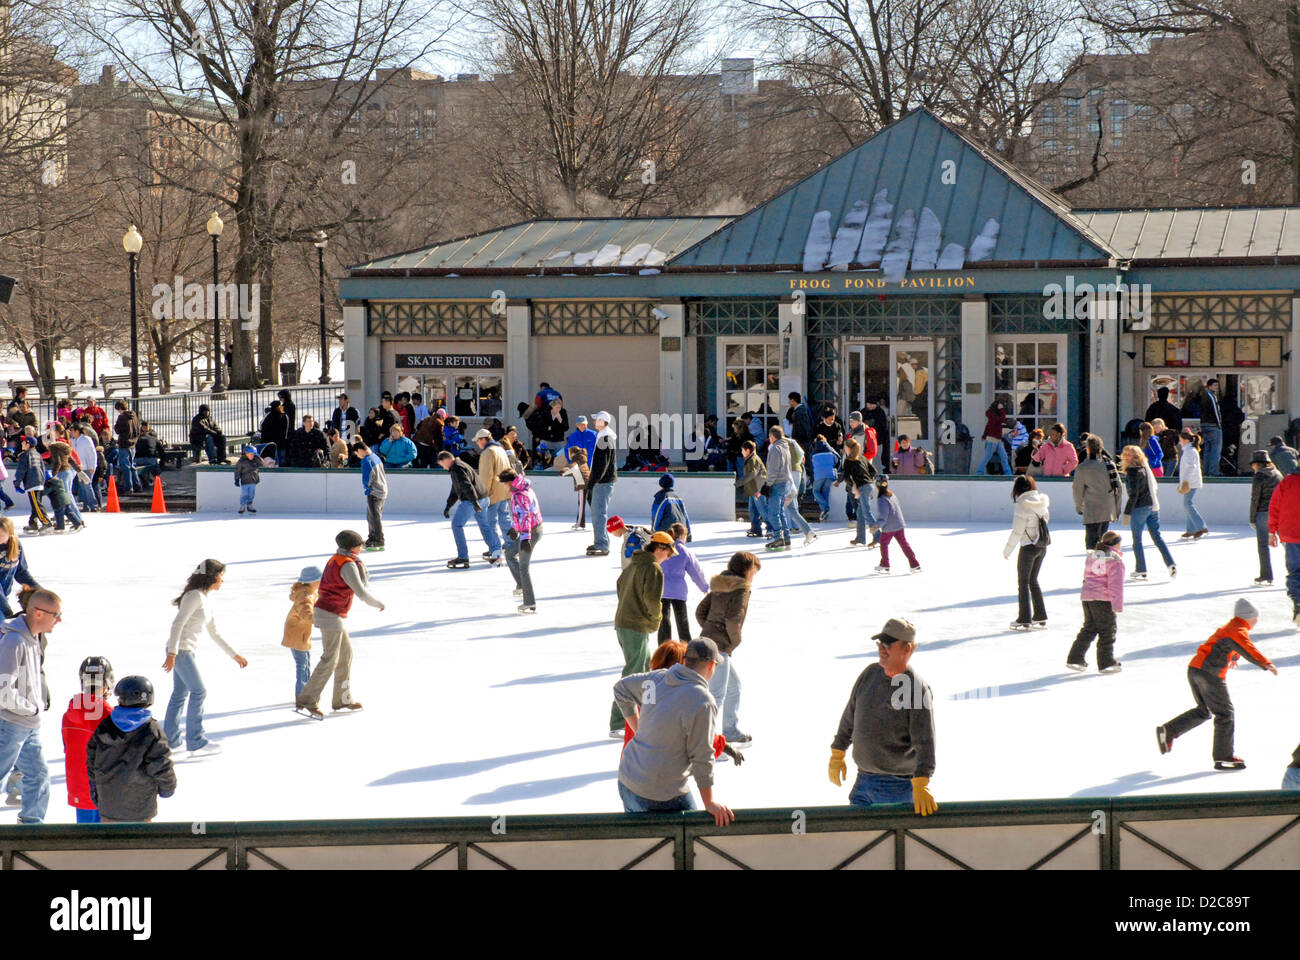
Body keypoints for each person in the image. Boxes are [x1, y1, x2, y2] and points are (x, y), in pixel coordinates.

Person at [612, 636, 734, 825]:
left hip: (628, 780)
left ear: (685, 661)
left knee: (646, 845)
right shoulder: (702, 700)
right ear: (711, 666)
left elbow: (622, 689)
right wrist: (709, 802)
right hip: (661, 792)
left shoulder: (656, 679)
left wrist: (638, 727)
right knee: (693, 841)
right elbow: (702, 755)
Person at [828, 617, 937, 815]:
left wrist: (921, 782)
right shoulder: (870, 674)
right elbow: (850, 716)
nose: (881, 650)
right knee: (861, 842)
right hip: (863, 782)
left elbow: (925, 741)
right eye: (880, 644)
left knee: (889, 844)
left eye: (888, 645)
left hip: (898, 786)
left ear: (907, 649)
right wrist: (838, 752)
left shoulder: (915, 688)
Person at [1156, 598, 1278, 770]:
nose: (1256, 621)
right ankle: (1224, 757)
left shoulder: (1231, 628)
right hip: (1209, 673)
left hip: (1195, 669)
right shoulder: (1238, 629)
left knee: (1204, 710)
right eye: (1255, 618)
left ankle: (1169, 730)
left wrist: (1233, 657)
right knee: (1225, 714)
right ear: (1249, 617)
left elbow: (1228, 644)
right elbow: (1247, 647)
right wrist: (1265, 663)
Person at [296, 530, 385, 719]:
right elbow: (360, 592)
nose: (362, 547)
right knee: (330, 659)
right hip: (331, 614)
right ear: (353, 546)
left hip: (332, 613)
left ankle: (342, 699)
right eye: (360, 544)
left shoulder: (336, 558)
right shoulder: (347, 565)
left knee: (345, 655)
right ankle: (307, 700)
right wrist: (378, 603)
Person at [163, 559, 247, 757]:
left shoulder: (205, 598)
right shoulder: (195, 597)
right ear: (211, 576)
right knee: (199, 691)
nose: (222, 581)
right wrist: (172, 654)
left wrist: (234, 655)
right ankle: (196, 740)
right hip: (181, 650)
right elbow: (177, 624)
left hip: (185, 650)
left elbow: (214, 632)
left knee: (179, 694)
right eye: (220, 576)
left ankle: (171, 739)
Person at [0, 588, 60, 822]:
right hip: (11, 724)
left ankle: (32, 829)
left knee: (38, 776)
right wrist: (30, 708)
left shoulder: (33, 639)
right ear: (37, 613)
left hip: (28, 726)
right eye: (55, 614)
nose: (59, 620)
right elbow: (3, 691)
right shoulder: (14, 641)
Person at [609, 530, 675, 737]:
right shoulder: (652, 569)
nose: (669, 557)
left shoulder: (634, 564)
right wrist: (655, 620)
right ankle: (619, 722)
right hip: (634, 625)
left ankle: (645, 715)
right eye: (669, 553)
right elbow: (653, 601)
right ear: (660, 549)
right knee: (634, 672)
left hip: (625, 623)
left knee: (645, 671)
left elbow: (619, 587)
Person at [85, 676, 177, 824]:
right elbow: (161, 764)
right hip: (140, 808)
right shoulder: (151, 730)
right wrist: (167, 788)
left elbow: (92, 760)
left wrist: (95, 789)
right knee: (139, 844)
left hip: (109, 806)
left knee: (111, 845)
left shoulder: (105, 726)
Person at [696, 550, 759, 747]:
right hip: (720, 647)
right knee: (717, 694)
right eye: (754, 571)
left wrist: (709, 630)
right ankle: (706, 739)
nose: (754, 576)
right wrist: (733, 641)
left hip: (708, 642)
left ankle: (730, 730)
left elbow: (700, 612)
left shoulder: (719, 584)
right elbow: (734, 620)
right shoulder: (742, 589)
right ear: (747, 570)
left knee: (734, 687)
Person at [61, 656, 113, 823]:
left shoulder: (69, 713)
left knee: (83, 835)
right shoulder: (109, 714)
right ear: (106, 684)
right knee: (105, 838)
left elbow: (67, 746)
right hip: (104, 785)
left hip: (79, 784)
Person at [1067, 531, 1125, 673]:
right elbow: (1115, 584)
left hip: (1087, 596)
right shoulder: (1115, 560)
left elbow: (1087, 575)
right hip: (1103, 599)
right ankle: (1106, 662)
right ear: (1115, 544)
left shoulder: (1093, 556)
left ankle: (1075, 657)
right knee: (1107, 630)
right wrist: (1117, 604)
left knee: (1090, 628)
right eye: (1119, 542)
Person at [1120, 444, 1176, 581]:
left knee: (1137, 540)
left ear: (1135, 457)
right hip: (1152, 505)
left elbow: (1134, 495)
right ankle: (1171, 563)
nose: (1125, 456)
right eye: (1125, 453)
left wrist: (1127, 513)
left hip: (1140, 508)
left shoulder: (1133, 471)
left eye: (1129, 454)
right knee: (1157, 537)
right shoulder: (1144, 468)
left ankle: (1141, 569)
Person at [1004, 475, 1050, 629]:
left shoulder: (1022, 505)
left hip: (1028, 548)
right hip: (1041, 546)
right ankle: (1040, 615)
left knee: (1023, 583)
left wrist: (1007, 550)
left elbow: (1017, 531)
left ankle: (1024, 618)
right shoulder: (1042, 501)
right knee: (1033, 581)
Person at [440, 450, 497, 568]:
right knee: (484, 525)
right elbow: (455, 489)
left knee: (457, 525)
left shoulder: (456, 468)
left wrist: (474, 501)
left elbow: (466, 485)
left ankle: (463, 556)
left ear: (446, 460)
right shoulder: (461, 465)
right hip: (483, 498)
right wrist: (448, 505)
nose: (443, 468)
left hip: (472, 500)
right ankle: (495, 552)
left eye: (442, 465)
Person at [659, 522, 707, 643]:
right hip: (678, 592)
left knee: (664, 623)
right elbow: (696, 571)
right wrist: (705, 588)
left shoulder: (663, 548)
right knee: (682, 623)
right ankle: (686, 649)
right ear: (682, 536)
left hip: (661, 590)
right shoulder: (685, 551)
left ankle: (664, 650)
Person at [502, 469, 543, 613]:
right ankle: (521, 585)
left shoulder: (519, 494)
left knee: (524, 567)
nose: (503, 487)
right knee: (510, 554)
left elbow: (526, 516)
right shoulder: (522, 488)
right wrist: (515, 528)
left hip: (531, 533)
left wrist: (525, 538)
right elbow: (521, 514)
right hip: (529, 530)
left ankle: (529, 602)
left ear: (508, 482)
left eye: (503, 484)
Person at [1072, 434, 1122, 549]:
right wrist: (1117, 509)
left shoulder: (1083, 467)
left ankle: (1094, 564)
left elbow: (1077, 490)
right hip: (1107, 508)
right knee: (1104, 540)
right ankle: (1103, 563)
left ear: (1088, 449)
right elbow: (1118, 488)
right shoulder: (1109, 464)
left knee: (1091, 542)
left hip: (1092, 509)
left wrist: (1079, 507)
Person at [1267, 462, 1300, 622]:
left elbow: (1274, 506)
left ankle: (1298, 602)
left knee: (1295, 571)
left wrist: (1272, 530)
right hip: (1290, 533)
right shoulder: (1287, 481)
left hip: (1290, 533)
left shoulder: (1287, 481)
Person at [473, 429, 512, 561]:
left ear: (483, 439)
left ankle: (495, 549)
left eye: (478, 441)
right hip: (504, 491)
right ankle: (512, 546)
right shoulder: (500, 449)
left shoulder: (487, 453)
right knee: (505, 520)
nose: (477, 444)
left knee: (490, 523)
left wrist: (483, 494)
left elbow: (486, 476)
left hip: (493, 494)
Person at [283, 566, 320, 698]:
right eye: (319, 581)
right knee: (302, 666)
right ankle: (302, 696)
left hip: (300, 634)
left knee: (305, 663)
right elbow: (306, 613)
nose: (320, 583)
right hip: (298, 635)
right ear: (312, 581)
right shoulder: (305, 595)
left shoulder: (308, 592)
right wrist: (319, 620)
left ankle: (306, 692)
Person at [837, 437, 879, 548]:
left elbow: (846, 477)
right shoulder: (862, 458)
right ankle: (860, 538)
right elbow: (874, 471)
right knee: (860, 513)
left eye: (845, 447)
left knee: (867, 513)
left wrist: (853, 487)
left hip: (863, 487)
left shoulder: (848, 460)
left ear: (848, 448)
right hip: (869, 485)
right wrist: (868, 481)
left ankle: (878, 536)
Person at [587, 411, 618, 557]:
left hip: (602, 482)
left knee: (598, 513)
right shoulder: (605, 437)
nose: (594, 422)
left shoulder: (605, 439)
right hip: (604, 481)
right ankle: (601, 541)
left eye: (596, 420)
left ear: (602, 421)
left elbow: (601, 465)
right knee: (598, 513)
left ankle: (602, 544)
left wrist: (592, 482)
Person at [1248, 450, 1282, 585]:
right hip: (1279, 512)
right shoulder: (1278, 474)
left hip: (1263, 513)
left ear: (1257, 464)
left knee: (1263, 545)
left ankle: (1266, 574)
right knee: (1289, 544)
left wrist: (1252, 518)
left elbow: (1255, 498)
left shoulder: (1259, 476)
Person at [873, 477, 920, 574]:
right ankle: (914, 564)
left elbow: (883, 516)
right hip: (899, 524)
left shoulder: (881, 499)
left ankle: (885, 564)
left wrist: (876, 526)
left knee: (884, 544)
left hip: (890, 526)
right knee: (904, 544)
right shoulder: (891, 494)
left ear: (877, 486)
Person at [0, 518, 39, 619]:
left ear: (9, 533)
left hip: (3, 597)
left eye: (0, 535)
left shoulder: (16, 545)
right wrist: (7, 611)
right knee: (4, 625)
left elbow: (21, 572)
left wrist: (39, 591)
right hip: (1, 601)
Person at [353, 439, 388, 551]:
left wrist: (367, 489)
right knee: (373, 516)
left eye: (357, 453)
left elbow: (367, 477)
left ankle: (378, 540)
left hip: (375, 492)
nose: (358, 456)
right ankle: (373, 537)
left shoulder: (366, 460)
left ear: (360, 450)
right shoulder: (376, 457)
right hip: (382, 489)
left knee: (374, 517)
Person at [1173, 428, 1207, 540]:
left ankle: (1200, 526)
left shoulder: (1190, 451)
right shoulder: (1189, 450)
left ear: (1186, 440)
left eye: (1180, 440)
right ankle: (1191, 529)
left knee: (1188, 504)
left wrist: (1186, 481)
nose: (1179, 442)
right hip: (1189, 482)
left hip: (1191, 482)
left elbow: (1192, 467)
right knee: (1187, 504)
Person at [764, 425, 794, 551]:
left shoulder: (775, 449)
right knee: (780, 511)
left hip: (777, 482)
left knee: (773, 513)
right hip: (785, 482)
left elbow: (773, 469)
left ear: (772, 436)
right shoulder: (785, 446)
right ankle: (786, 537)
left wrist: (768, 484)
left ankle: (778, 538)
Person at [736, 440, 768, 539]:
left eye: (742, 450)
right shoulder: (749, 459)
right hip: (752, 489)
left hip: (758, 489)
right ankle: (756, 529)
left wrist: (740, 482)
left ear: (748, 450)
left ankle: (772, 528)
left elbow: (752, 474)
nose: (741, 452)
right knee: (753, 510)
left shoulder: (753, 459)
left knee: (763, 510)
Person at [68, 423, 101, 511]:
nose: (71, 433)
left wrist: (92, 466)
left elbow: (92, 453)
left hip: (87, 467)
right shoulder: (72, 440)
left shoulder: (86, 439)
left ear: (77, 431)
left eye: (72, 431)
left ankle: (94, 505)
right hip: (77, 468)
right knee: (82, 487)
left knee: (87, 486)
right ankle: (85, 506)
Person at [973, 401, 1010, 475]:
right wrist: (1002, 410)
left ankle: (1008, 473)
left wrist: (984, 435)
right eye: (1000, 406)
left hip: (998, 440)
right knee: (987, 457)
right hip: (992, 440)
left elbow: (988, 426)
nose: (1001, 408)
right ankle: (979, 473)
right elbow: (1002, 419)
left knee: (1004, 457)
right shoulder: (993, 415)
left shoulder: (993, 415)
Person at [651, 473, 692, 539]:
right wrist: (688, 532)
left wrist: (654, 532)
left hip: (668, 532)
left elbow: (656, 516)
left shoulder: (661, 497)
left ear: (660, 484)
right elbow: (685, 517)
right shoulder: (678, 498)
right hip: (681, 532)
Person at [1197, 379, 1224, 476]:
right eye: (1215, 385)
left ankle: (1205, 470)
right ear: (1209, 386)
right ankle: (1213, 471)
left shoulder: (1203, 396)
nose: (1217, 388)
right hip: (1213, 425)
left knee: (1207, 449)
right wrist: (1219, 423)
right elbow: (1216, 411)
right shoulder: (1211, 396)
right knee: (1216, 449)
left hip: (1204, 425)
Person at [809, 436, 841, 519]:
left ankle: (825, 509)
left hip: (819, 475)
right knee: (825, 491)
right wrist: (835, 468)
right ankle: (825, 514)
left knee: (815, 491)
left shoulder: (813, 452)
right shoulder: (831, 449)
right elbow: (838, 459)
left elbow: (811, 467)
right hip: (830, 474)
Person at [259, 399, 290, 465]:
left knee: (272, 462)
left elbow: (261, 427)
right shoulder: (284, 416)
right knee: (281, 461)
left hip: (270, 443)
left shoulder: (269, 416)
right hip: (279, 443)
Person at [134, 421, 164, 487]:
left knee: (138, 468)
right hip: (150, 459)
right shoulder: (154, 438)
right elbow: (161, 451)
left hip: (137, 459)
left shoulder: (137, 438)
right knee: (155, 466)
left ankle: (143, 480)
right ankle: (158, 481)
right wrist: (162, 461)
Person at [862, 398, 890, 471]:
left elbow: (884, 427)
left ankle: (877, 474)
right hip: (864, 441)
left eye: (872, 404)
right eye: (869, 404)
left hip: (878, 440)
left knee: (877, 459)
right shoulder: (863, 412)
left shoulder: (880, 412)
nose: (870, 406)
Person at [235, 444, 260, 514]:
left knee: (251, 494)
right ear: (246, 454)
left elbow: (262, 463)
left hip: (253, 480)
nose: (252, 456)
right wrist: (236, 479)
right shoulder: (241, 462)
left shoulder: (256, 460)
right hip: (245, 481)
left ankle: (249, 505)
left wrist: (258, 457)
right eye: (251, 454)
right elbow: (237, 471)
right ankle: (242, 505)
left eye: (253, 454)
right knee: (244, 494)